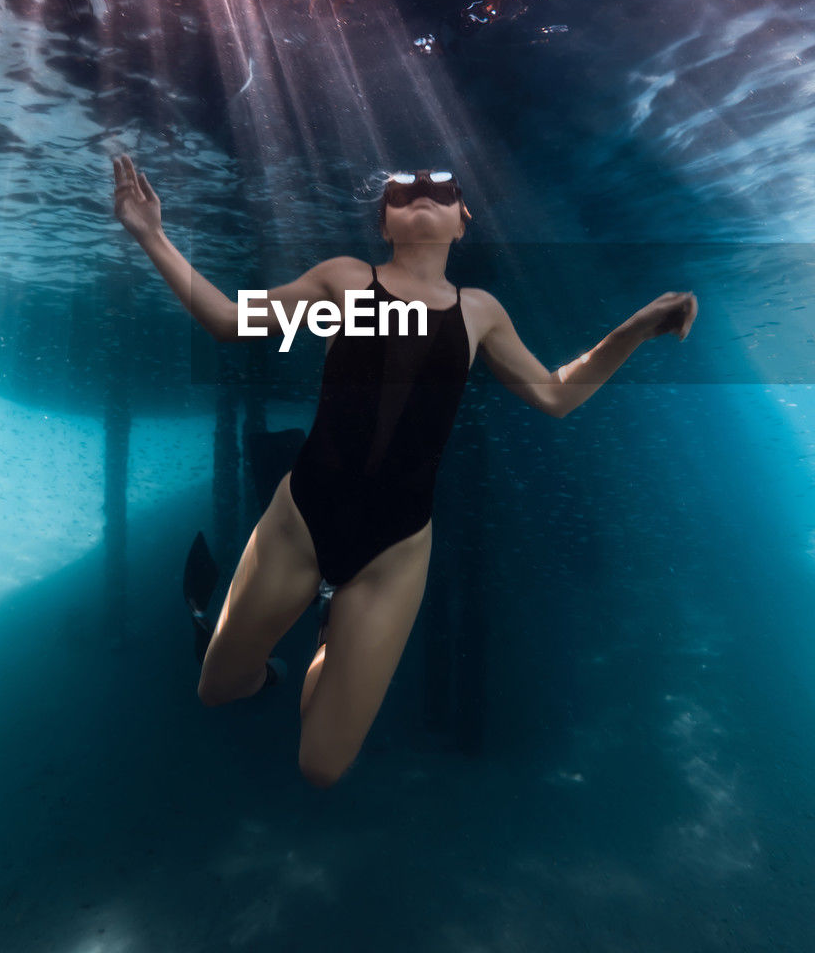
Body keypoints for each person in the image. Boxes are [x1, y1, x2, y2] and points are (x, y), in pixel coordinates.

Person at [112, 153, 698, 787]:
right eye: (403, 186)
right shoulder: (344, 283)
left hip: (394, 551)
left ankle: (330, 637)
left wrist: (635, 330)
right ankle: (273, 665)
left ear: (463, 220)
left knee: (321, 768)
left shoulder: (481, 312)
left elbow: (555, 394)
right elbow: (229, 322)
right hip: (300, 520)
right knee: (217, 690)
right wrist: (152, 235)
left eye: (440, 186)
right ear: (385, 225)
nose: (422, 188)